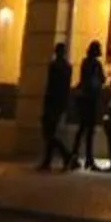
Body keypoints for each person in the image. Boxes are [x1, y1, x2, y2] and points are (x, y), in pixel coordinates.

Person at [38, 41, 77, 171]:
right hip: (60, 103)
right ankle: (50, 160)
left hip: (52, 103)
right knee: (51, 132)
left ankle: (66, 155)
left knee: (49, 134)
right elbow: (66, 88)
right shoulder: (68, 67)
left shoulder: (54, 66)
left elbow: (50, 86)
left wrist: (46, 103)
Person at [71, 40, 107, 171]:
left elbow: (84, 80)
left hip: (85, 99)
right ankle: (88, 159)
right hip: (91, 99)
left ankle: (76, 157)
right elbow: (102, 79)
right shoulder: (96, 64)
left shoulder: (85, 62)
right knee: (89, 130)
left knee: (82, 129)